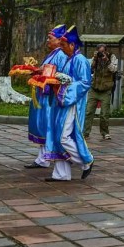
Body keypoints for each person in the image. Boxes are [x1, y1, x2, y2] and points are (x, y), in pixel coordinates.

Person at [43, 25, 94, 182]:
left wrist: (67, 87)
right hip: (62, 100)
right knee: (58, 135)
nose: (62, 48)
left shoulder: (80, 60)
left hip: (72, 102)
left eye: (64, 45)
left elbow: (85, 83)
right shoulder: (69, 59)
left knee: (64, 137)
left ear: (72, 45)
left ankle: (86, 161)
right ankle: (61, 173)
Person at [24, 25, 72, 169]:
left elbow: (58, 75)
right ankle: (42, 157)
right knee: (40, 126)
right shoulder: (53, 54)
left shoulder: (61, 55)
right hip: (43, 93)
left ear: (59, 40)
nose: (47, 41)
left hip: (49, 96)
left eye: (50, 38)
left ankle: (51, 157)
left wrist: (41, 73)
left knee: (46, 126)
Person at [84, 44, 119, 140]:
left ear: (106, 51)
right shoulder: (95, 57)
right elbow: (90, 69)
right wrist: (95, 58)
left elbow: (114, 69)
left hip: (106, 89)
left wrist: (106, 60)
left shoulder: (112, 57)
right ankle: (85, 133)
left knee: (104, 114)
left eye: (103, 52)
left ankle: (105, 133)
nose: (101, 54)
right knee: (88, 112)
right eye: (100, 52)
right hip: (94, 88)